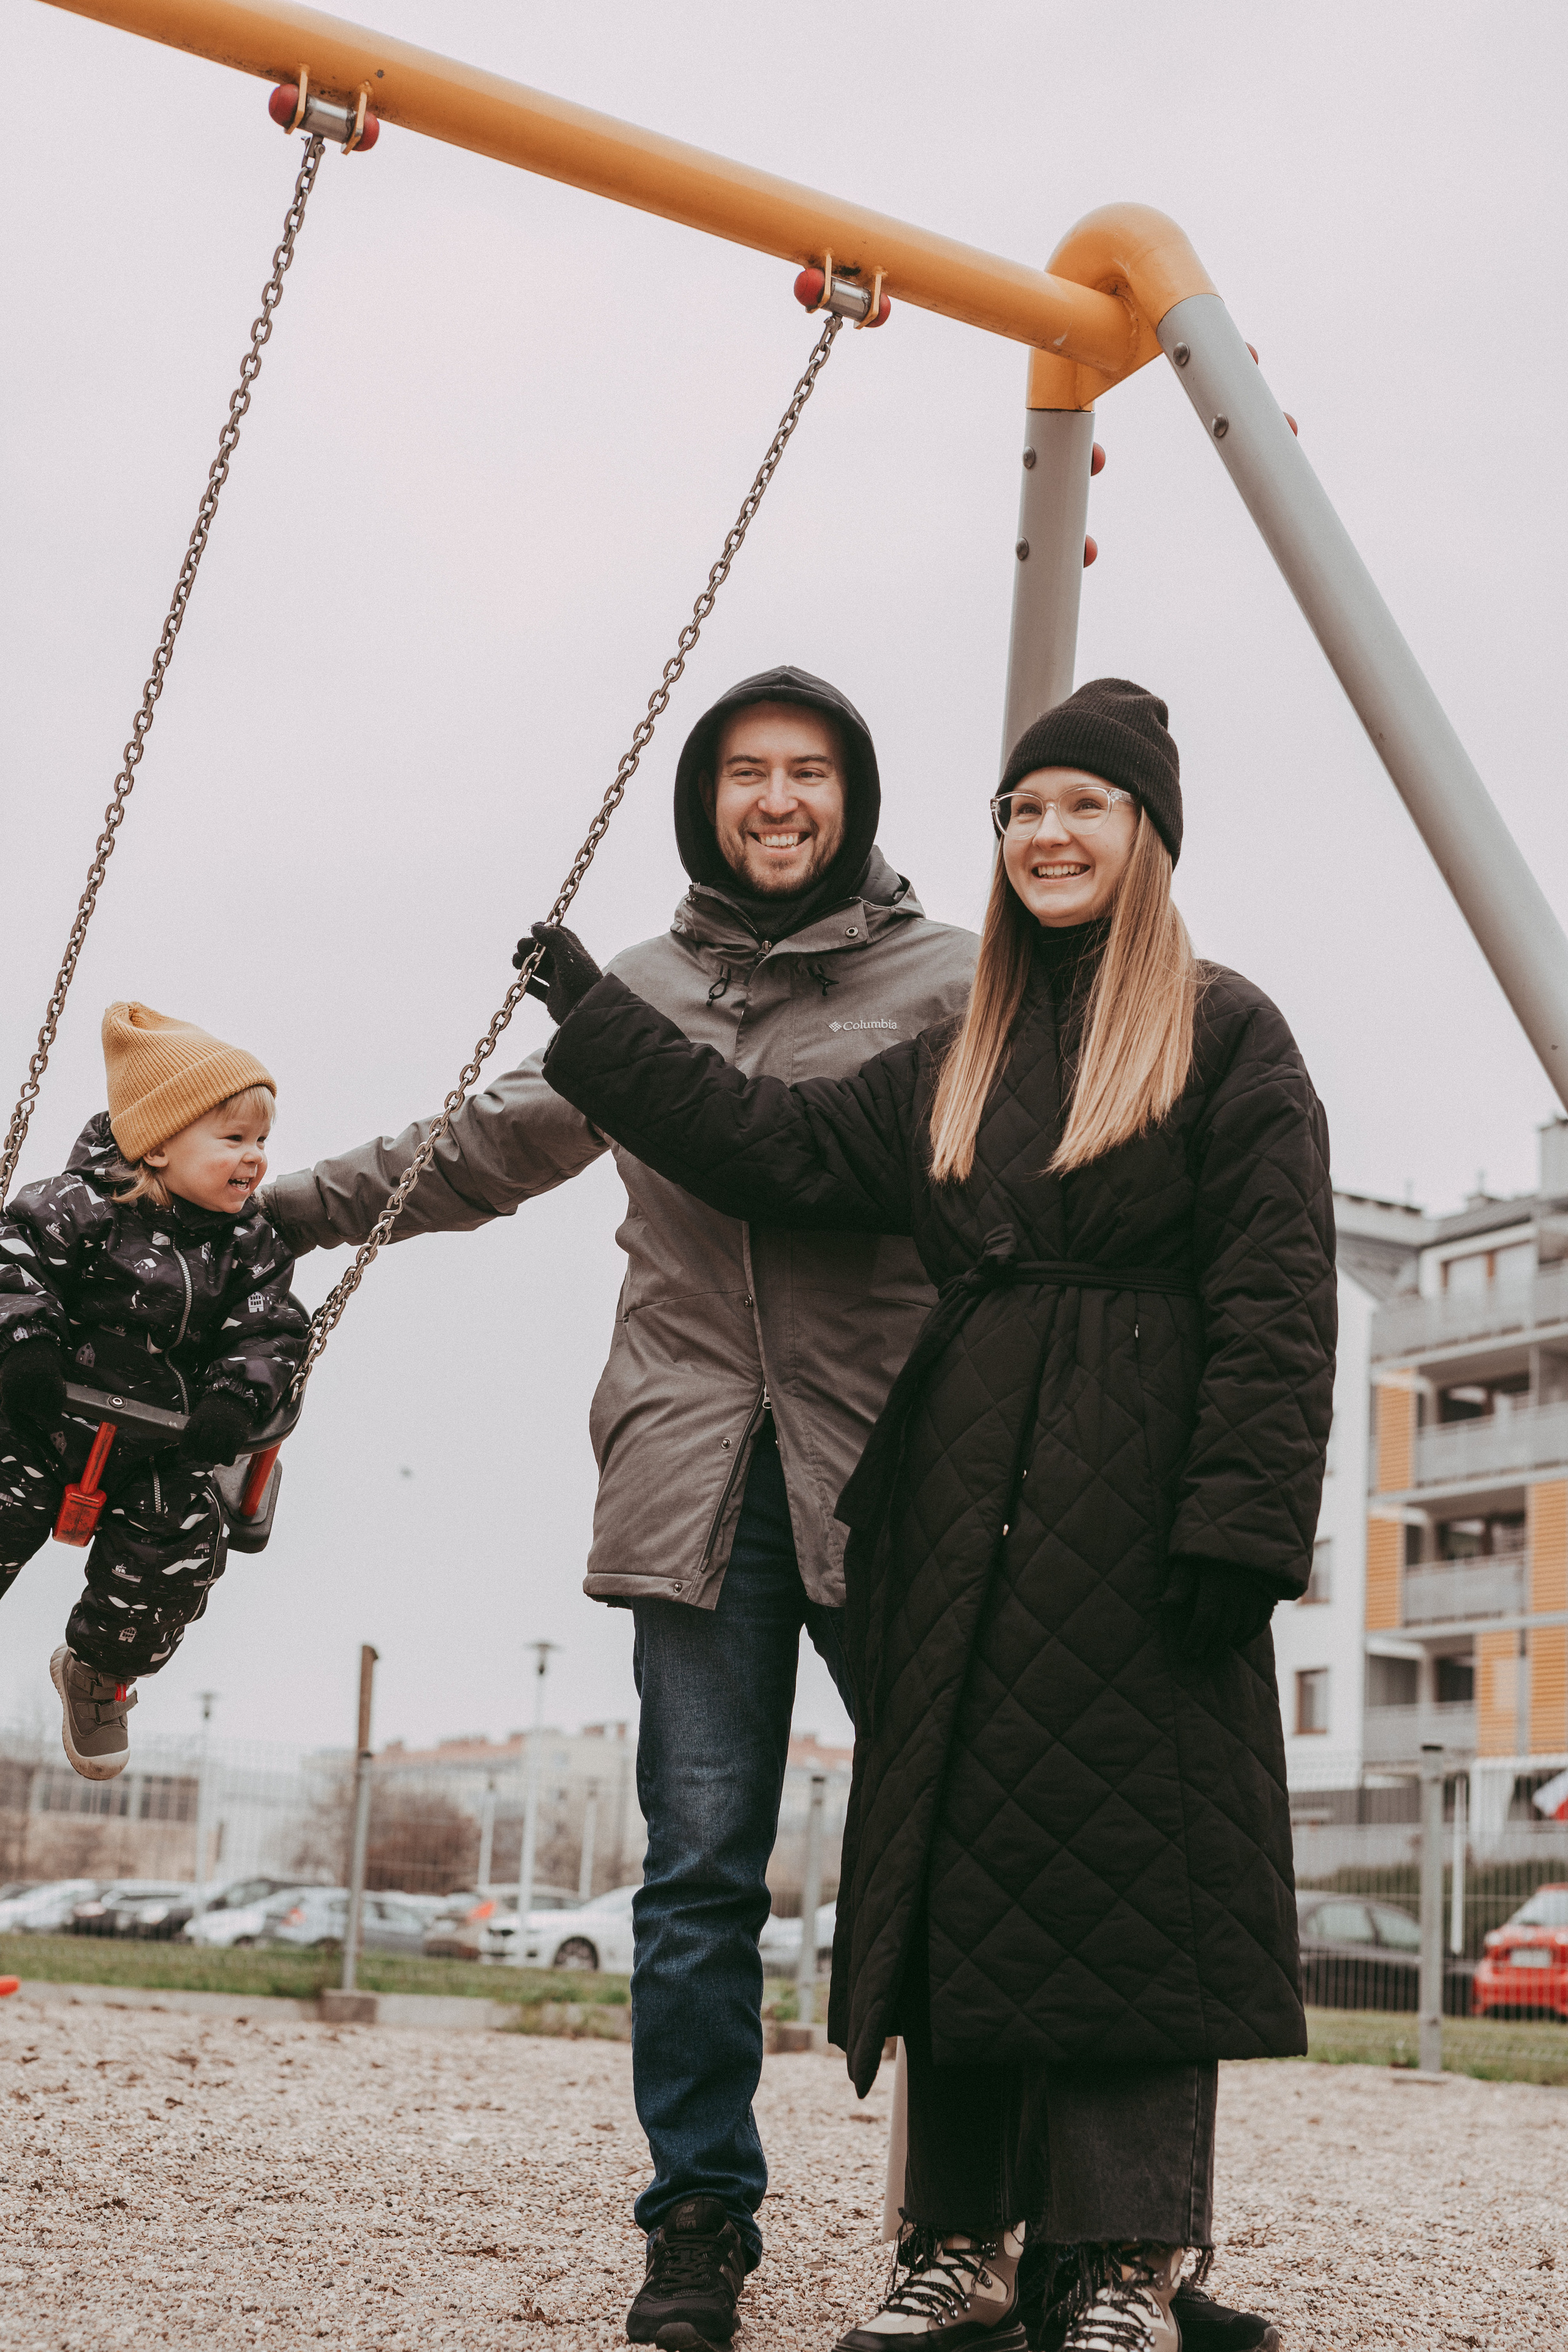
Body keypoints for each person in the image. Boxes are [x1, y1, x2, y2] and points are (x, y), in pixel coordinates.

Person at [528, 677, 1335, 2352]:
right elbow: (768, 1149)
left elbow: (1278, 1295)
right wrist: (601, 1016)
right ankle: (959, 2241)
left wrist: (1243, 1527)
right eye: (1023, 811)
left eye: (1083, 808)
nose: (1047, 835)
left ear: (1147, 838)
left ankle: (1120, 2260)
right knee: (969, 1866)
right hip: (966, 1492)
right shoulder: (957, 1057)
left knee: (1128, 1870)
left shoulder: (1228, 1030)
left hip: (1143, 1490)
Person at [263, 668, 979, 2342]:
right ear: (705, 802)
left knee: (957, 1847)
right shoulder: (642, 988)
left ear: (856, 801)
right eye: (747, 774)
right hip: (691, 1469)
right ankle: (699, 2221)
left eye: (811, 774)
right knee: (700, 1863)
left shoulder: (953, 979)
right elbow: (483, 1150)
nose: (780, 800)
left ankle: (977, 2221)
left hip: (898, 1464)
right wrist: (284, 1208)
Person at [0, 1002, 307, 1781]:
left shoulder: (250, 1245)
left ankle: (99, 1675)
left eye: (261, 1141)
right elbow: (15, 1266)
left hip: (168, 1445)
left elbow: (269, 1330)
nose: (255, 1160)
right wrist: (26, 1345)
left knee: (176, 1549)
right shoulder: (72, 1208)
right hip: (42, 1416)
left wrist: (233, 1403)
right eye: (233, 1139)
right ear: (158, 1144)